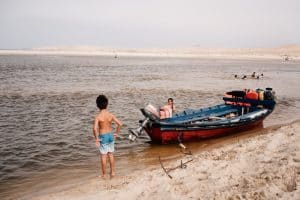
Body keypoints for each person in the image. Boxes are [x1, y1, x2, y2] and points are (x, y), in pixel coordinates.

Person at [93, 94, 122, 179]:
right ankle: (112, 172)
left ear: (97, 105)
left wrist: (97, 139)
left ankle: (104, 174)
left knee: (103, 156)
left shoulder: (98, 116)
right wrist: (116, 133)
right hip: (110, 135)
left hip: (103, 137)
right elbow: (120, 124)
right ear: (107, 104)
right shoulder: (110, 114)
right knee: (111, 154)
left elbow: (94, 129)